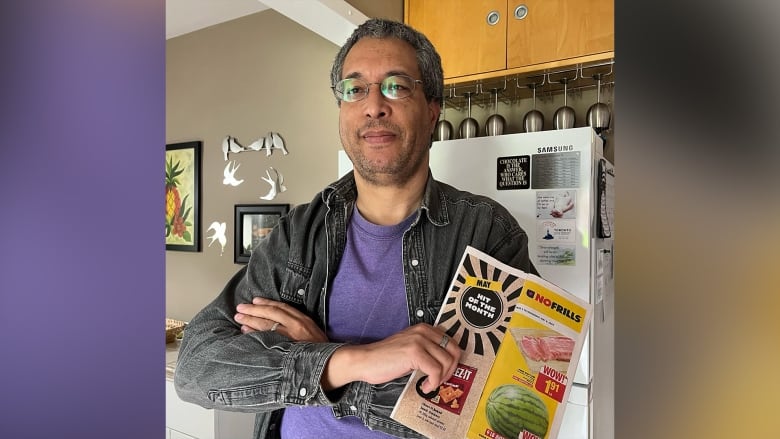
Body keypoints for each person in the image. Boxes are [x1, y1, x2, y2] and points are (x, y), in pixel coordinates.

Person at [174, 18, 537, 438]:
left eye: (396, 86)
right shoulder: (298, 234)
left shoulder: (486, 233)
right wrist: (347, 361)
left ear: (433, 108)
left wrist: (316, 362)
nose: (373, 106)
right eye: (355, 88)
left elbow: (510, 408)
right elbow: (197, 368)